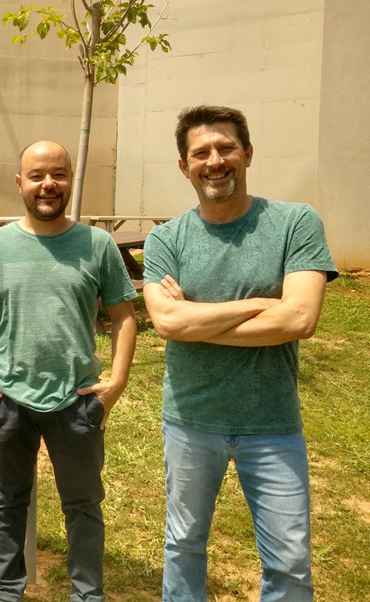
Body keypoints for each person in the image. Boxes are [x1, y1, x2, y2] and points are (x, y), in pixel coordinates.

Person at [143, 105, 338, 601]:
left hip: (271, 421)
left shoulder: (295, 223)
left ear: (247, 153)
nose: (215, 160)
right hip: (190, 420)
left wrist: (197, 321)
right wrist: (257, 305)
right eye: (200, 152)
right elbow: (167, 322)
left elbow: (299, 320)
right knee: (183, 545)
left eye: (226, 147)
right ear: (184, 166)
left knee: (290, 564)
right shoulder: (166, 238)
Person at [0, 139, 138, 602]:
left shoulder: (97, 245)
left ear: (71, 180)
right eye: (37, 175)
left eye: (58, 174)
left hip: (77, 400)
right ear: (20, 183)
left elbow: (123, 315)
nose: (48, 184)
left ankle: (86, 596)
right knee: (8, 502)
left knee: (82, 506)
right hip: (6, 398)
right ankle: (7, 592)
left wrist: (115, 384)